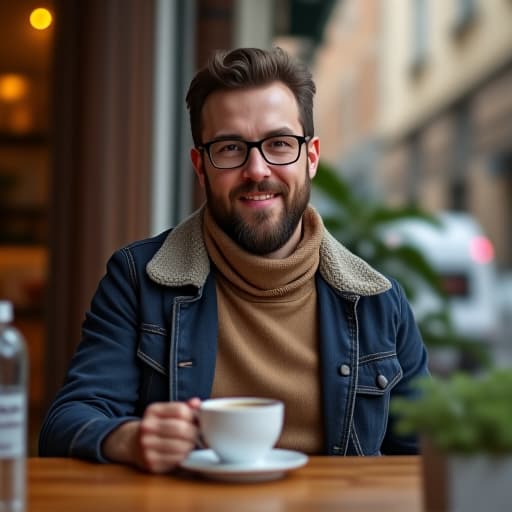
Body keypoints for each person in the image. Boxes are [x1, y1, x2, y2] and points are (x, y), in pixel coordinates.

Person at [39, 47, 429, 473]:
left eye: (280, 144)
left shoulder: (378, 301)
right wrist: (129, 438)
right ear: (200, 166)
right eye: (229, 148)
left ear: (311, 157)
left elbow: (423, 457)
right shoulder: (137, 280)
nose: (257, 169)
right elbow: (66, 423)